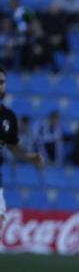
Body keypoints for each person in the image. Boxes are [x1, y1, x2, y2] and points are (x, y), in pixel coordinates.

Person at [0, 66, 45, 230]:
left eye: (2, 82)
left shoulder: (9, 117)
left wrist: (29, 156)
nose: (0, 86)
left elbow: (12, 145)